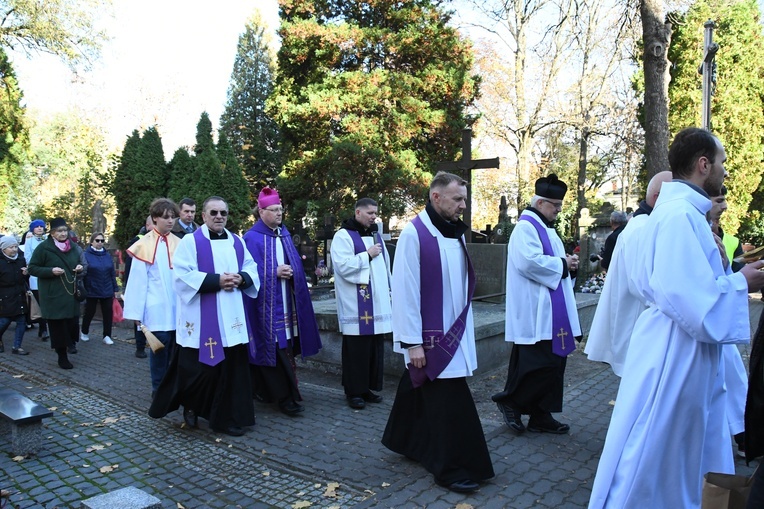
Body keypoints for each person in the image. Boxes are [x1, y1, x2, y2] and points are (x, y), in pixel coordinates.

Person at [588, 128, 764, 508]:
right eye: (721, 163)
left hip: (682, 347)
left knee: (679, 450)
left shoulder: (682, 214)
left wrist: (731, 277)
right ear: (703, 165)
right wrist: (740, 283)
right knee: (655, 451)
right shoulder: (679, 217)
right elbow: (686, 297)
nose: (725, 172)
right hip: (675, 352)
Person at [382, 172, 494, 494]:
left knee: (417, 390)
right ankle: (451, 468)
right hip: (431, 340)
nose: (463, 205)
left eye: (464, 199)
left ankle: (404, 440)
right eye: (458, 199)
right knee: (449, 402)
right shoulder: (414, 235)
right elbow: (404, 293)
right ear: (436, 198)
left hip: (455, 331)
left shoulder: (453, 233)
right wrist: (412, 343)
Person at [149, 196, 260, 437]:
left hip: (231, 318)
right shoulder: (190, 242)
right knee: (199, 372)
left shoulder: (237, 242)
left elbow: (252, 268)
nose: (219, 217)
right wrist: (216, 280)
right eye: (214, 213)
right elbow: (181, 276)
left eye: (223, 213)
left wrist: (242, 278)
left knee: (231, 371)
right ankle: (191, 405)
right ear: (204, 216)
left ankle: (227, 417)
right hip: (201, 320)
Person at [492, 174, 581, 436]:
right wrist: (563, 264)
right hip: (536, 311)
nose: (558, 210)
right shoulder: (525, 228)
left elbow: (551, 263)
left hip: (553, 311)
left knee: (555, 364)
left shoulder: (546, 229)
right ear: (541, 202)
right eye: (555, 205)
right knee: (539, 366)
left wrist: (567, 264)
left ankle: (541, 415)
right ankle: (511, 401)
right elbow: (529, 263)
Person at [243, 187, 322, 416]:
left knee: (285, 350)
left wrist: (292, 272)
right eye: (274, 209)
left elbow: (296, 265)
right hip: (266, 307)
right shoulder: (252, 237)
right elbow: (246, 271)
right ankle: (285, 398)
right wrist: (273, 272)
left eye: (281, 209)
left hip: (287, 302)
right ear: (261, 212)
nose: (279, 213)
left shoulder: (284, 234)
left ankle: (274, 392)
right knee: (274, 350)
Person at [585, 171, 673, 376]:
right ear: (657, 197)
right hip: (637, 327)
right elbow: (643, 285)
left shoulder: (643, 225)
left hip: (638, 326)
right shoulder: (642, 228)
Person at [330, 197, 392, 409]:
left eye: (375, 213)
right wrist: (367, 255)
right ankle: (353, 392)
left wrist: (388, 288)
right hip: (356, 305)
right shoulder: (343, 236)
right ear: (358, 213)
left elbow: (384, 266)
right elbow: (342, 266)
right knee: (357, 350)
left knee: (373, 348)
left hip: (377, 302)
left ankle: (366, 388)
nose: (374, 217)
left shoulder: (375, 235)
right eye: (370, 213)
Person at [123, 200, 181, 395]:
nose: (170, 221)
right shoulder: (143, 245)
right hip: (156, 309)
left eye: (173, 217)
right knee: (159, 352)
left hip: (178, 308)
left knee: (176, 352)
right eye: (166, 217)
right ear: (155, 218)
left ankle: (173, 387)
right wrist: (136, 313)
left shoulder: (180, 244)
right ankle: (159, 389)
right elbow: (138, 282)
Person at [28, 218, 85, 369]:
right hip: (53, 295)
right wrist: (50, 271)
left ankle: (70, 344)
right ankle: (62, 356)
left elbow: (80, 263)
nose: (62, 233)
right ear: (52, 233)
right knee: (58, 328)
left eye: (64, 230)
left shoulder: (72, 247)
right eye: (59, 231)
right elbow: (32, 268)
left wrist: (79, 267)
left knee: (72, 325)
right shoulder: (44, 248)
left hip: (70, 293)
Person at [80, 232, 119, 346]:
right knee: (90, 312)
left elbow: (112, 272)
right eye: (97, 240)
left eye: (102, 241)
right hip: (92, 288)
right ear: (92, 242)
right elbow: (84, 272)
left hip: (106, 288)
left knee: (107, 313)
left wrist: (115, 288)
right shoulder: (86, 255)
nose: (100, 243)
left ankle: (107, 335)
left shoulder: (107, 255)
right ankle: (84, 331)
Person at [124, 215, 155, 358]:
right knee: (140, 318)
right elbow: (131, 267)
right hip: (141, 285)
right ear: (148, 225)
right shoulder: (139, 242)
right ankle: (140, 346)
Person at [0, 235, 29, 355]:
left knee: (22, 321)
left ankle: (17, 346)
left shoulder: (21, 259)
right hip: (5, 296)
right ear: (3, 249)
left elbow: (24, 279)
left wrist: (26, 273)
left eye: (16, 246)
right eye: (11, 247)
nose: (14, 249)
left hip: (19, 294)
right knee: (4, 321)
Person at [24, 219, 49, 341]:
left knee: (48, 302)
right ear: (32, 228)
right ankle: (43, 328)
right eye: (37, 226)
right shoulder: (29, 241)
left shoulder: (48, 239)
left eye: (41, 226)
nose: (39, 228)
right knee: (39, 303)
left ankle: (44, 328)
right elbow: (28, 257)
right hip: (36, 276)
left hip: (49, 274)